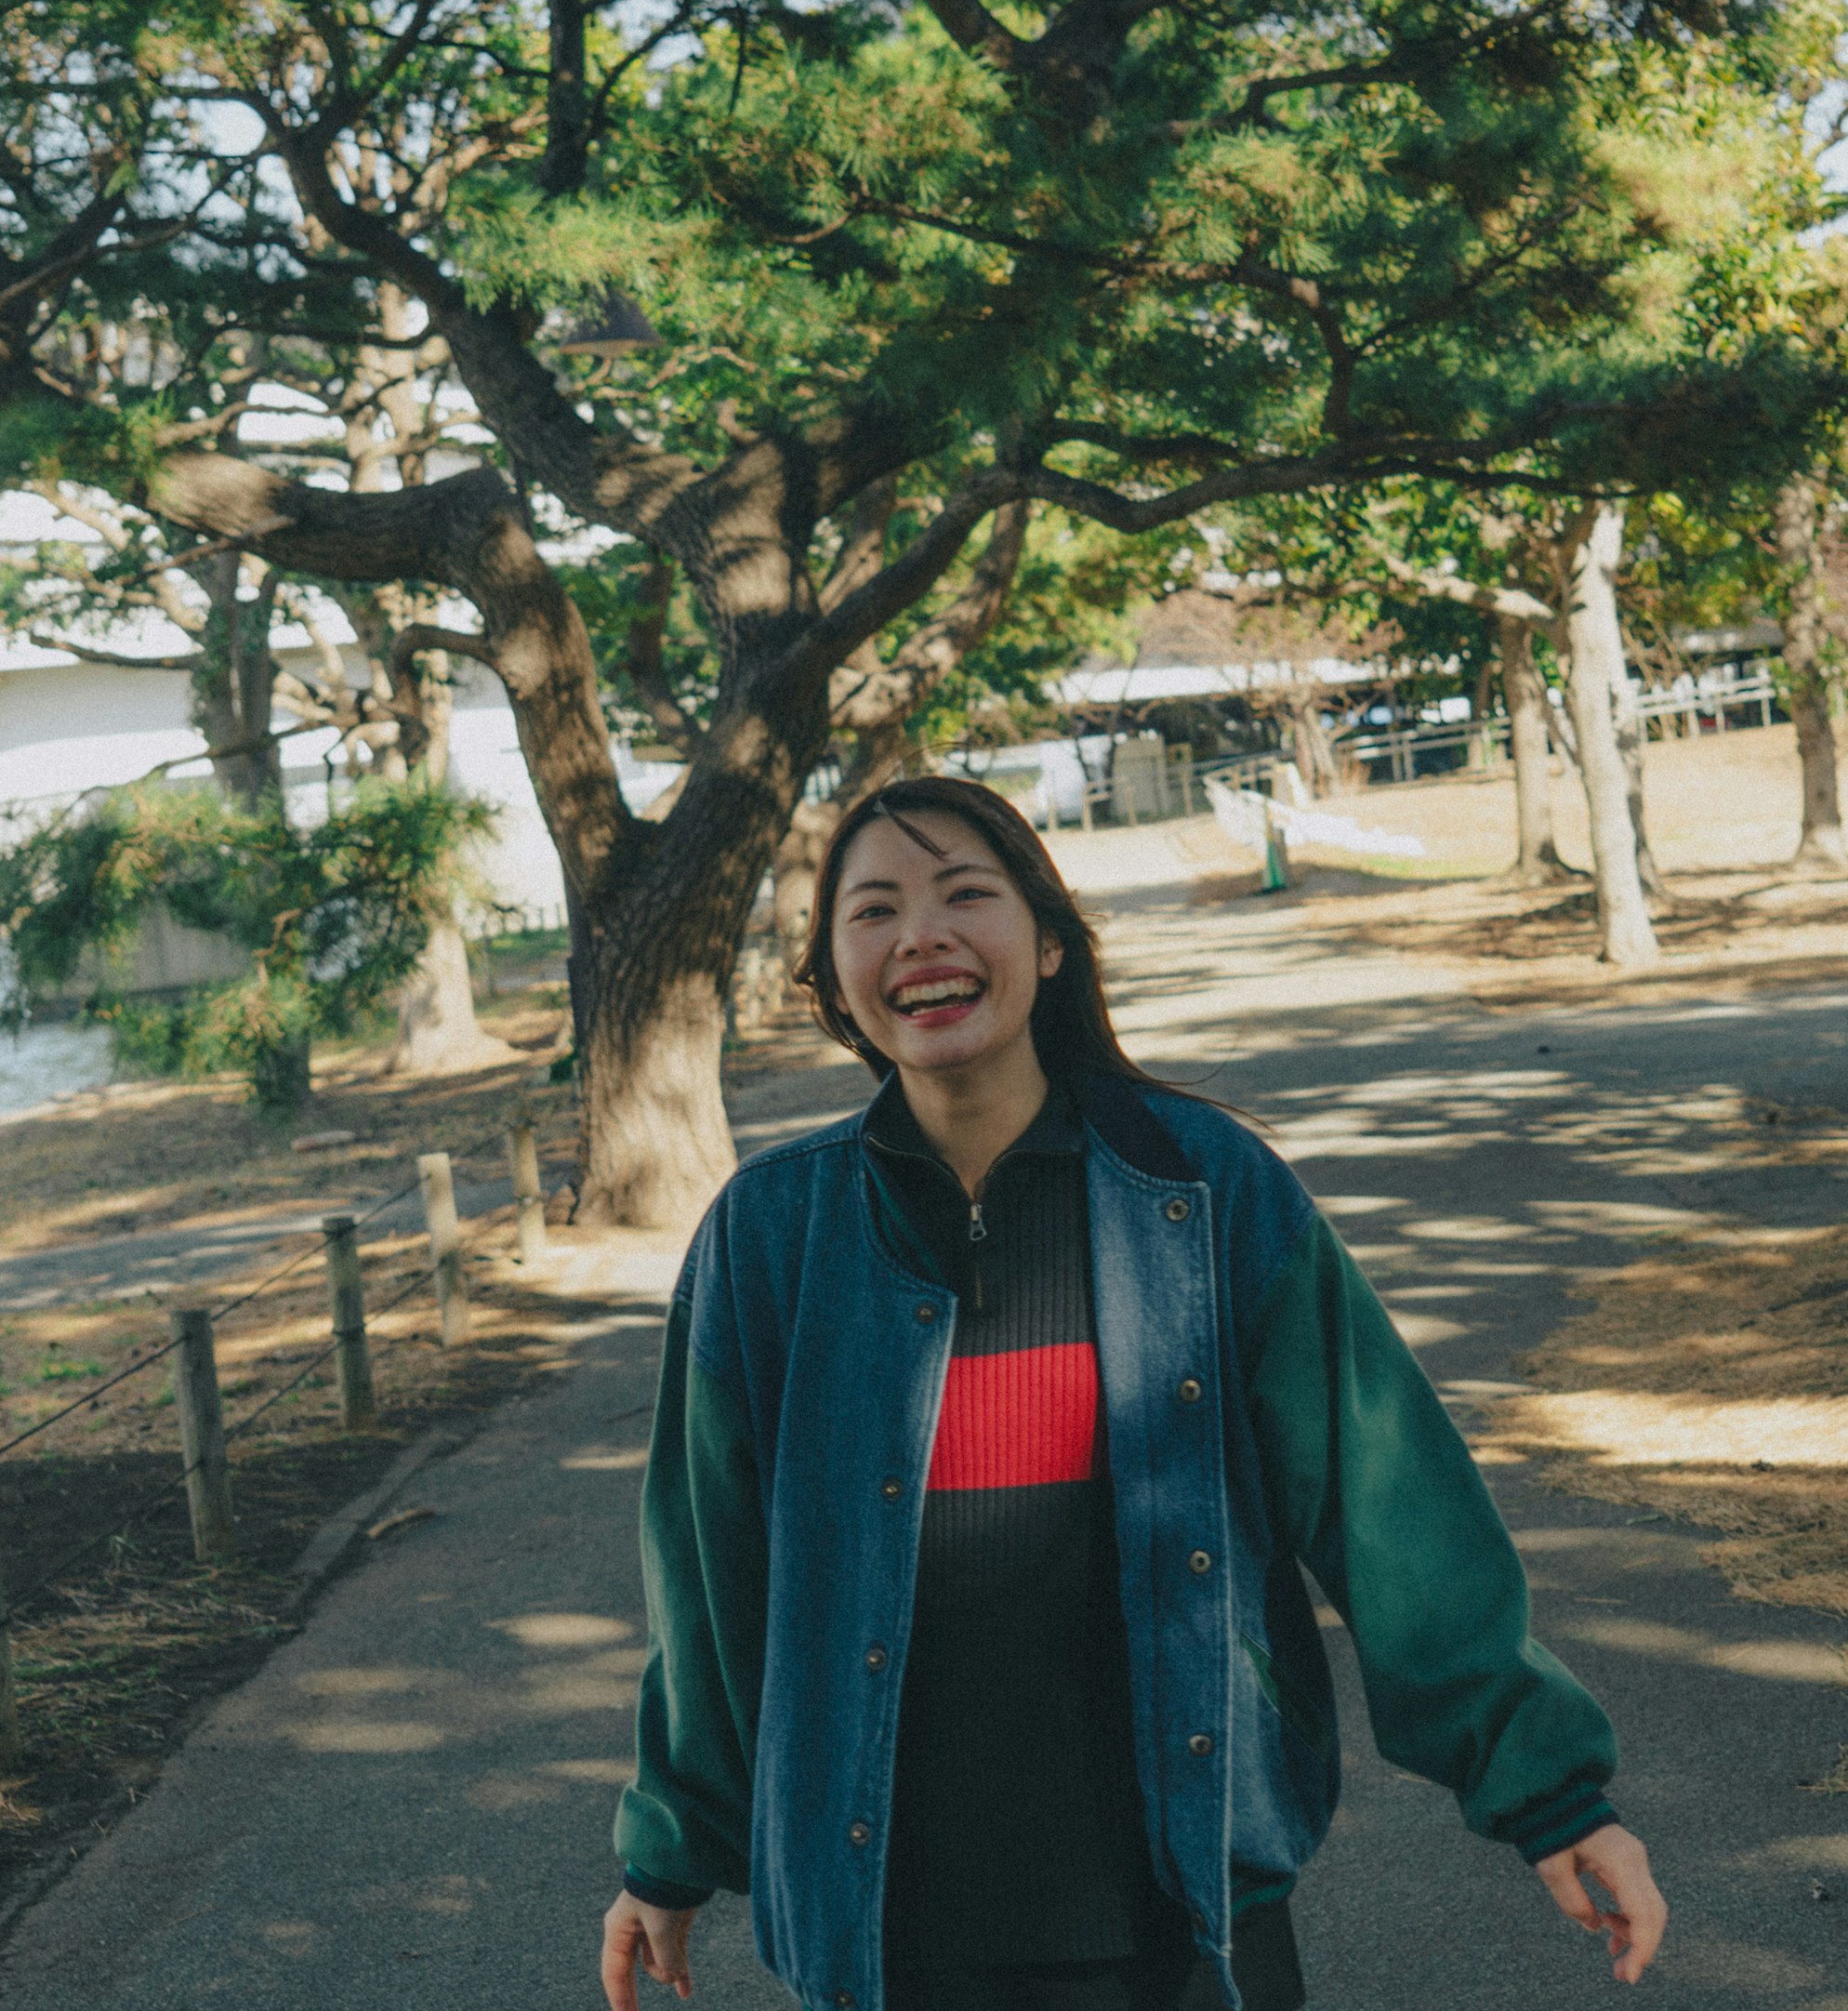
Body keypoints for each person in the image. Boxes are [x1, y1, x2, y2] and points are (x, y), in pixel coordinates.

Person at [601, 778, 1665, 2011]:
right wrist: (669, 1856)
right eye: (874, 911)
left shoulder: (1205, 1189)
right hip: (888, 1924)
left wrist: (1551, 1796)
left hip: (1181, 1908)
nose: (921, 938)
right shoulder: (770, 1238)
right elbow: (709, 1578)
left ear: (1048, 942)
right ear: (834, 981)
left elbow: (1390, 1507)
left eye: (965, 897)